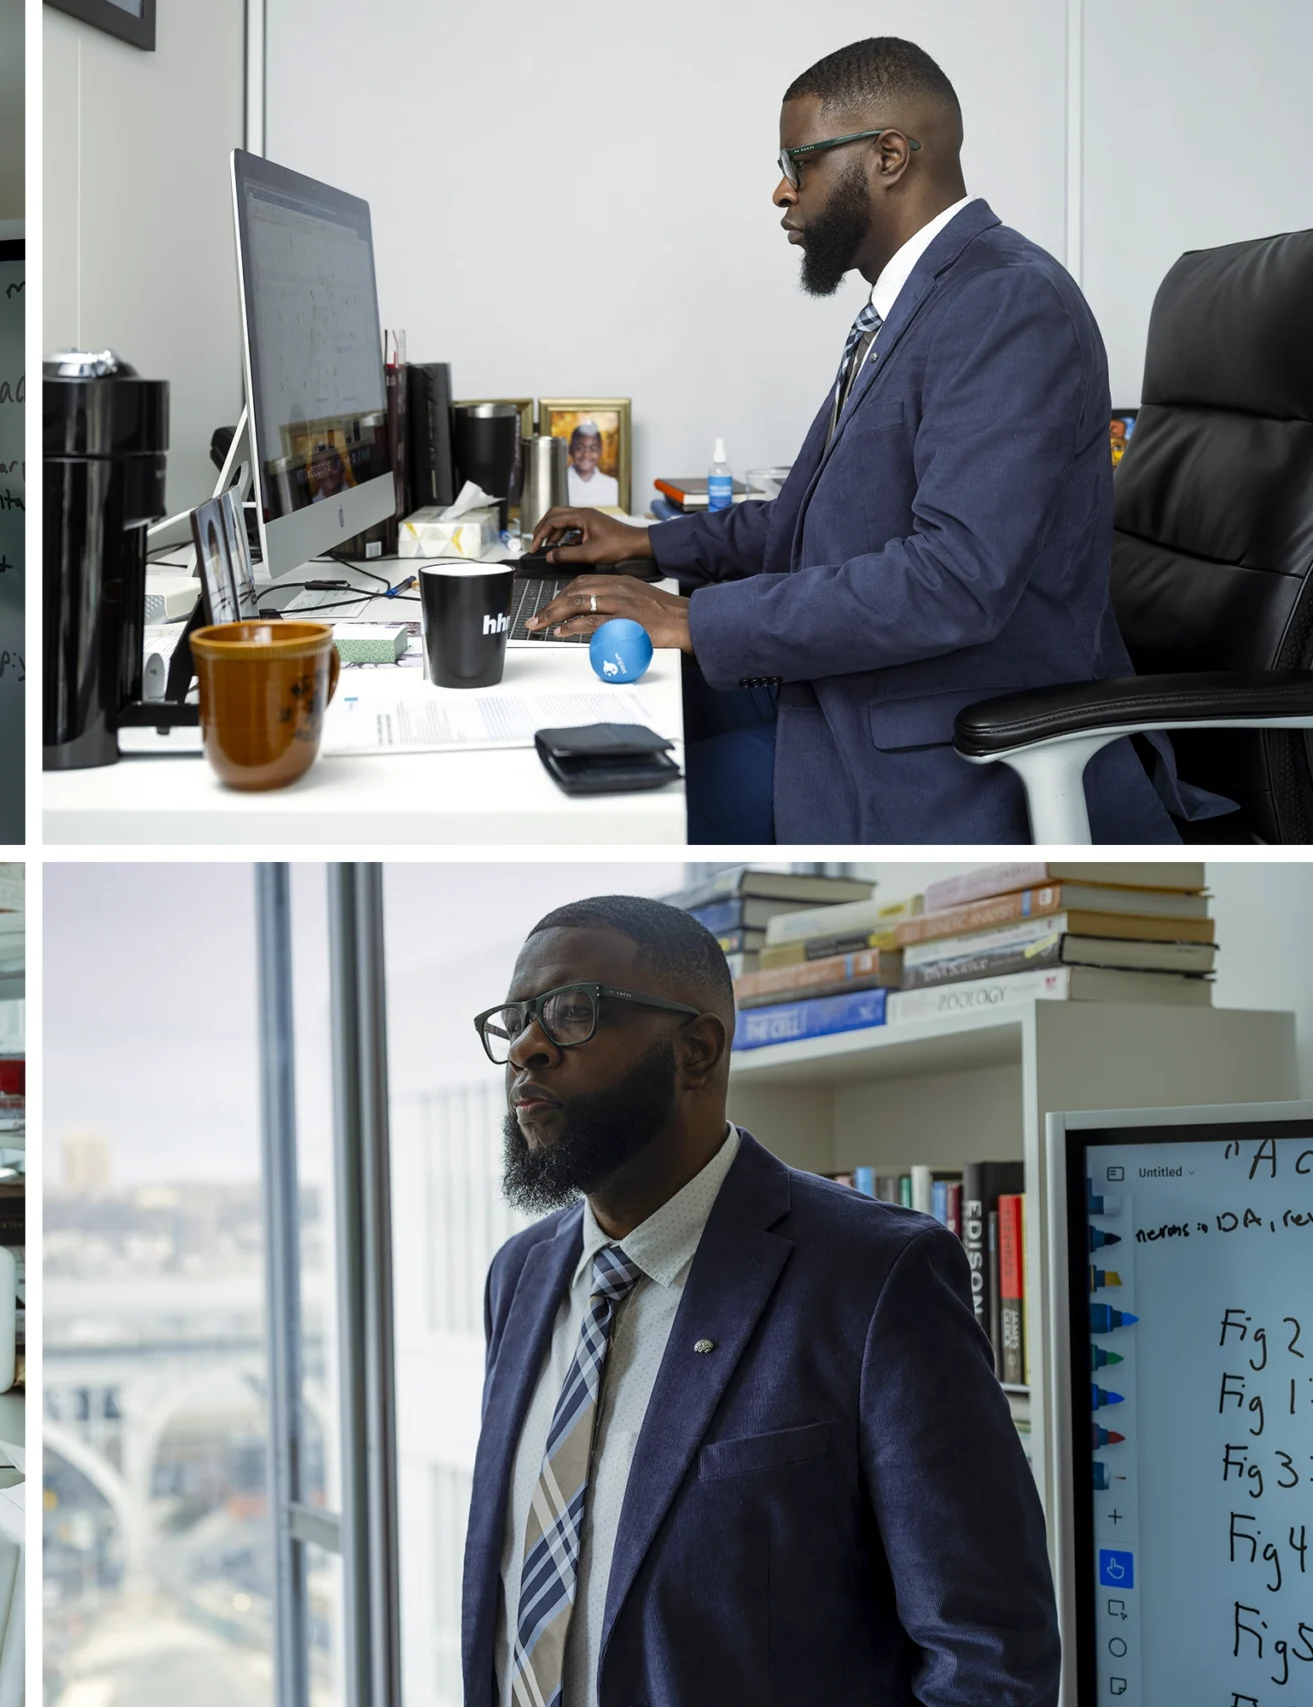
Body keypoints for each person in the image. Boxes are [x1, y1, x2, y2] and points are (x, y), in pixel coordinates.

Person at [521, 38, 1204, 843]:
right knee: (560, 703)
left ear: (887, 156)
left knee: (593, 815)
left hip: (942, 744)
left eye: (798, 162)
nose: (781, 191)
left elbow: (955, 578)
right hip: (860, 686)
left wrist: (694, 623)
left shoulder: (1008, 304)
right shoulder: (915, 304)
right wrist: (648, 542)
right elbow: (813, 523)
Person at [463, 895, 1057, 1707]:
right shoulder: (520, 1274)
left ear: (696, 1050)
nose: (526, 1049)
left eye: (570, 1012)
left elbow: (989, 1656)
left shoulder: (877, 1277)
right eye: (515, 1020)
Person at [562, 419, 614, 507]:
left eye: (593, 449)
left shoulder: (612, 485)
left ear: (600, 451)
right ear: (570, 450)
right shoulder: (561, 483)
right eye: (580, 448)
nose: (586, 454)